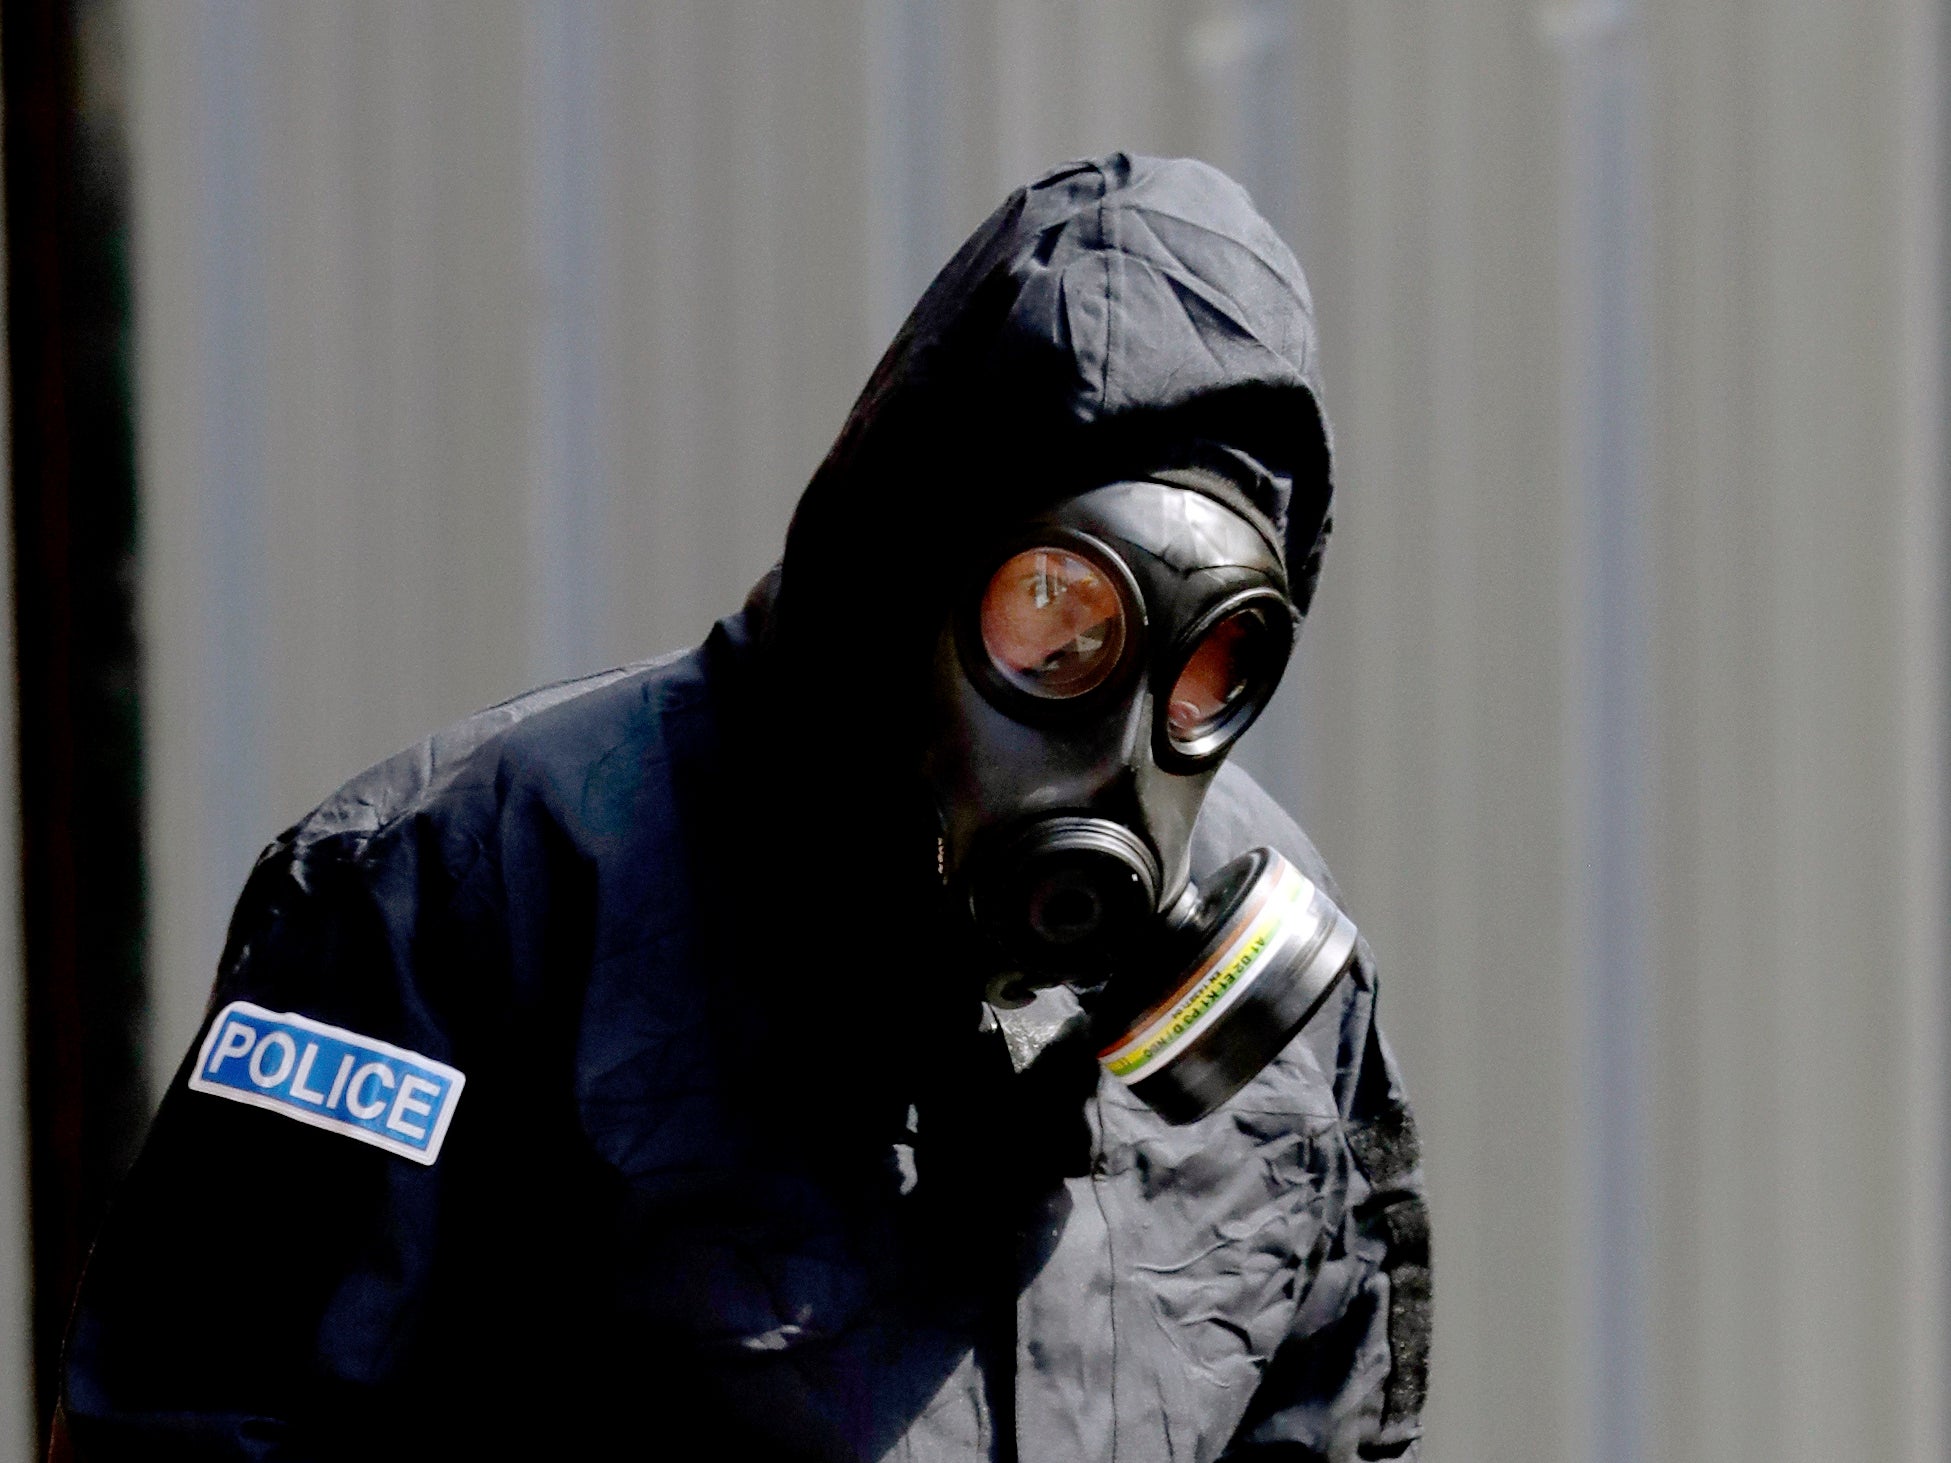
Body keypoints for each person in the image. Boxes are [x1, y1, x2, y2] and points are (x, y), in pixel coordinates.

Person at [57, 153, 1429, 1462]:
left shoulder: (1269, 991)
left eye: (1212, 662)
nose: (1118, 734)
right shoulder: (468, 895)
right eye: (1056, 616)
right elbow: (196, 1427)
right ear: (906, 567)